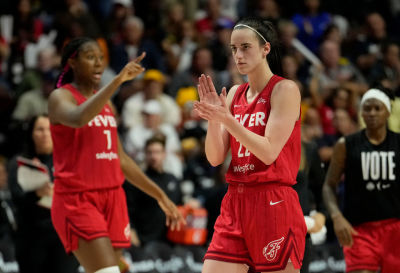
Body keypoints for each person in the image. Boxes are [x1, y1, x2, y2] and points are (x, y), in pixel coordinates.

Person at [47, 37, 185, 273]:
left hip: (113, 198)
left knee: (117, 269)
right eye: (91, 57)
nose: (98, 63)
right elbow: (79, 118)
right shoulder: (61, 97)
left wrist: (160, 195)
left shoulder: (107, 105)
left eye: (101, 58)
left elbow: (120, 159)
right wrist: (118, 81)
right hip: (78, 199)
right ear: (73, 62)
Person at [194, 17, 307, 273]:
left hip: (272, 200)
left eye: (245, 47)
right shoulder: (234, 93)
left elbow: (268, 152)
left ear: (265, 48)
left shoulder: (285, 90)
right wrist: (214, 120)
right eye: (234, 49)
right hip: (235, 201)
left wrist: (228, 120)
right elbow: (214, 158)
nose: (238, 55)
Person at [322, 87, 400, 273]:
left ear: (387, 111)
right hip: (359, 230)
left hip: (395, 229)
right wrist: (336, 216)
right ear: (361, 113)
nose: (371, 113)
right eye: (367, 108)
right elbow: (328, 185)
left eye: (377, 108)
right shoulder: (346, 145)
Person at [8, 115, 79, 273]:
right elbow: (16, 197)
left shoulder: (67, 160)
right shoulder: (20, 163)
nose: (46, 134)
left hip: (63, 236)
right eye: (40, 129)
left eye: (49, 129)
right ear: (31, 133)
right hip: (31, 236)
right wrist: (36, 193)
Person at [124, 135, 182, 247]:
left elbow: (180, 206)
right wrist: (131, 230)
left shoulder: (173, 180)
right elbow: (127, 209)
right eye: (150, 152)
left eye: (157, 152)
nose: (153, 156)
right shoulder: (138, 180)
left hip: (170, 242)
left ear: (164, 154)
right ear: (145, 155)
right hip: (144, 241)